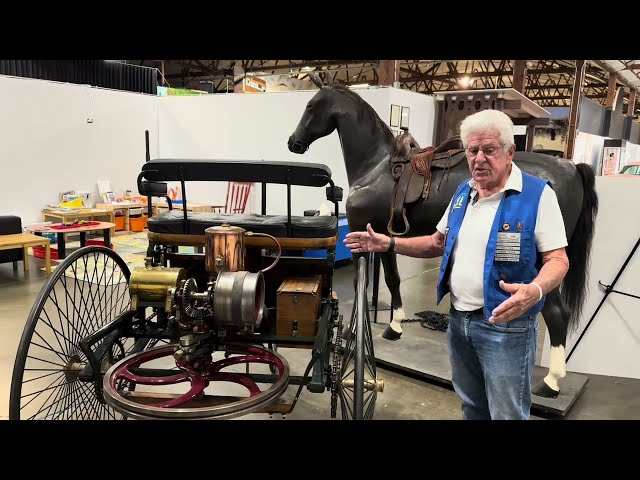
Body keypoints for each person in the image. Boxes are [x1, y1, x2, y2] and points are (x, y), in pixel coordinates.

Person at [343, 109, 570, 420]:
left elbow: (558, 259)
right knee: (472, 407)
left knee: (508, 413)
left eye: (489, 150)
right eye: (472, 150)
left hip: (507, 328)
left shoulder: (537, 194)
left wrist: (536, 289)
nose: (478, 159)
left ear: (509, 151)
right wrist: (389, 243)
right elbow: (437, 242)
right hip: (459, 322)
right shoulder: (464, 193)